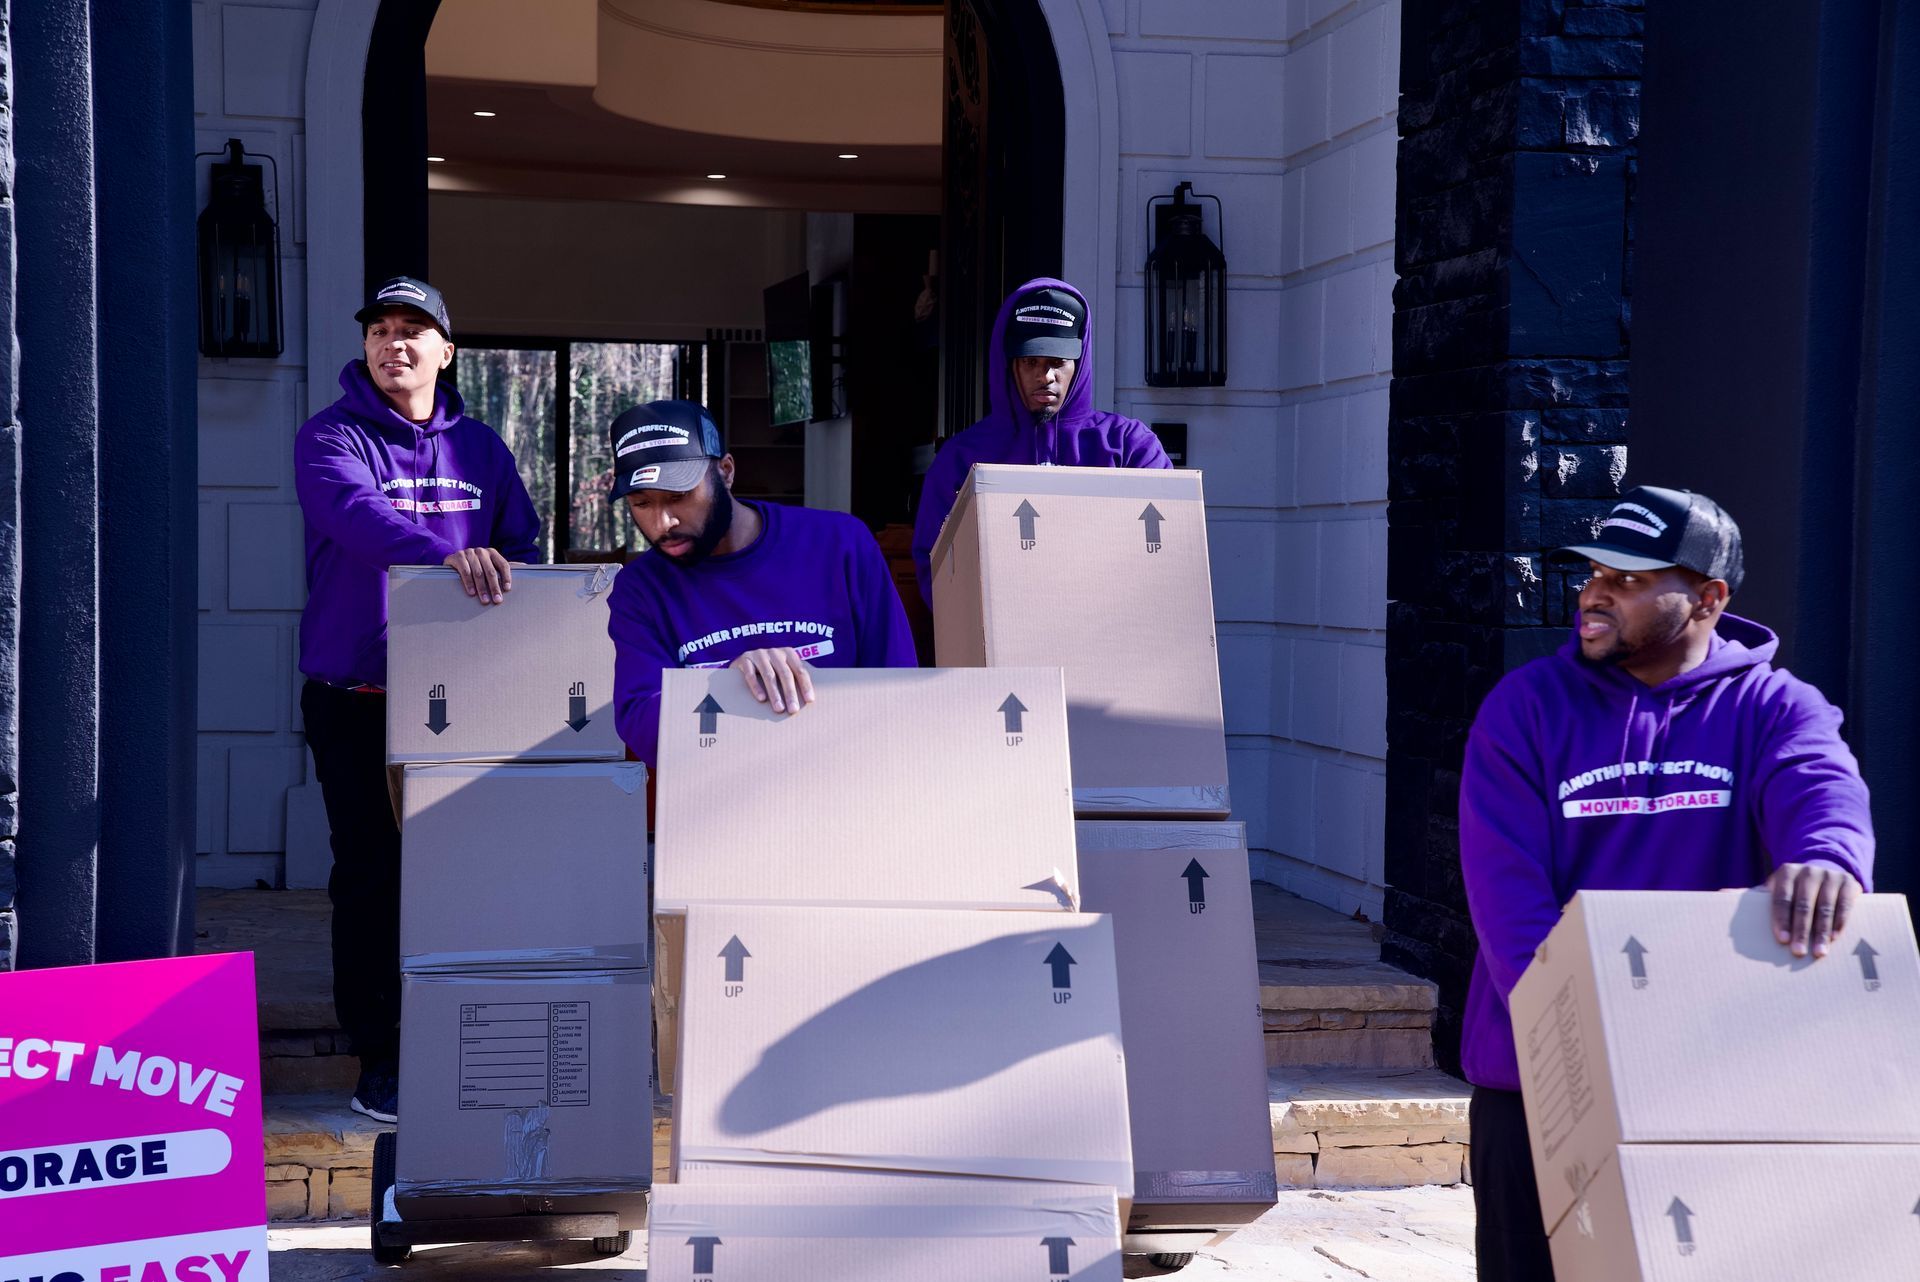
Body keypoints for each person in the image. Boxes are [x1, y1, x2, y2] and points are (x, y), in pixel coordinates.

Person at [1457, 486, 1873, 1279]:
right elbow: (1507, 899)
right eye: (1595, 572)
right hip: (1539, 1081)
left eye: (1632, 579)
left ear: (1709, 597)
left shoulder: (1773, 708)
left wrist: (1828, 855)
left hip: (1706, 1080)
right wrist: (1578, 1041)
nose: (1595, 593)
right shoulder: (1526, 709)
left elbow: (1822, 790)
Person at [294, 276, 541, 1123]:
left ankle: (464, 1038)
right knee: (371, 878)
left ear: (446, 351)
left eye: (413, 330)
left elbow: (522, 546)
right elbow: (355, 516)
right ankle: (381, 1056)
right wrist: (446, 556)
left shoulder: (484, 451)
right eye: (380, 330)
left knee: (464, 873)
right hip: (358, 696)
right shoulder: (330, 437)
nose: (393, 343)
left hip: (466, 695)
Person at [606, 400, 918, 766]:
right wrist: (729, 684)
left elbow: (899, 690)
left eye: (679, 497)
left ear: (725, 472)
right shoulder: (639, 590)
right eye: (641, 503)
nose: (663, 523)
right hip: (720, 802)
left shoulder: (840, 544)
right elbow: (642, 727)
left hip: (847, 787)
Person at [911, 278, 1171, 605]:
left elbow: (1166, 556)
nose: (1045, 376)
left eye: (1057, 362)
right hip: (1000, 644)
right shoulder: (962, 457)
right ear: (1009, 365)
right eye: (1030, 361)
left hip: (1108, 636)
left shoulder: (1130, 446)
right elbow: (933, 570)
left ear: (1079, 362)